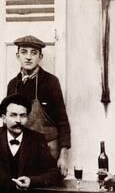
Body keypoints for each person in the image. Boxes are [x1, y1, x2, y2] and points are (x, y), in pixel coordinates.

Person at [7, 35, 71, 176]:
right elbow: (8, 122)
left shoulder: (50, 82)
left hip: (47, 151)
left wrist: (64, 155)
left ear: (40, 57)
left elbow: (62, 120)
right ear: (18, 56)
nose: (28, 57)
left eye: (34, 53)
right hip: (22, 150)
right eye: (24, 52)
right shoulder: (13, 85)